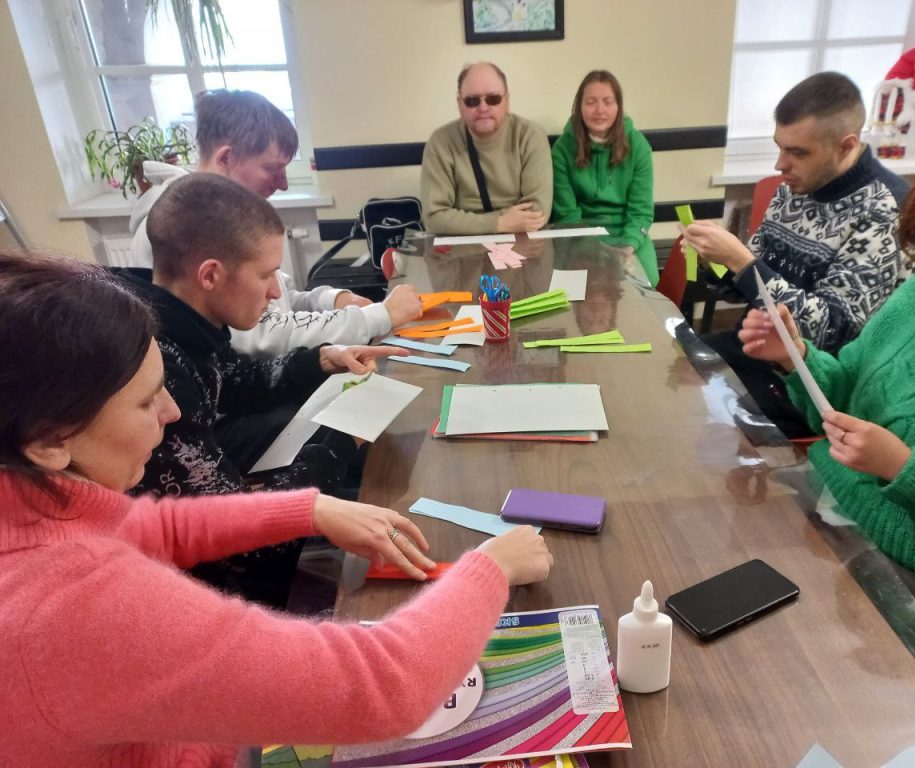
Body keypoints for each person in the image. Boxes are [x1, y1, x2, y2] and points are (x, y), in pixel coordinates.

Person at [0, 251, 553, 768]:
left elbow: (155, 524)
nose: (172, 412)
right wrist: (492, 568)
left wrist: (310, 510)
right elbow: (384, 687)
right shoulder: (74, 607)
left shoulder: (32, 507)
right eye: (146, 401)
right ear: (48, 440)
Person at [738, 116, 915, 661]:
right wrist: (798, 359)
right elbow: (844, 392)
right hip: (831, 502)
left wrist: (905, 469)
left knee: (772, 659)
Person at [122, 173, 408, 605]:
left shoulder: (183, 321)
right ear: (210, 275)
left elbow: (230, 381)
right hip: (204, 595)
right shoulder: (158, 367)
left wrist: (321, 360)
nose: (276, 291)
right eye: (266, 274)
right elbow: (243, 547)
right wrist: (341, 442)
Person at [680, 72, 910, 438]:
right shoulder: (795, 188)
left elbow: (831, 333)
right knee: (666, 363)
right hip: (754, 351)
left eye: (798, 152)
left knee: (687, 424)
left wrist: (741, 261)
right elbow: (745, 289)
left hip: (805, 385)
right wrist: (716, 262)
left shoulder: (886, 210)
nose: (780, 165)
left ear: (846, 145)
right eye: (780, 147)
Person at [128, 89, 423, 357]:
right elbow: (258, 336)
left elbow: (278, 300)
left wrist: (332, 299)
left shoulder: (229, 214)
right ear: (226, 158)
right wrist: (377, 317)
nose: (283, 184)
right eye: (272, 168)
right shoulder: (183, 222)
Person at [421, 62, 553, 235]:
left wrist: (461, 222)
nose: (483, 108)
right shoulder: (440, 143)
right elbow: (434, 218)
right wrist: (500, 223)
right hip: (462, 246)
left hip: (520, 239)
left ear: (507, 101)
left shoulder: (530, 136)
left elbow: (537, 212)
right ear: (460, 104)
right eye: (472, 101)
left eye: (493, 99)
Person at [551, 70, 657, 285]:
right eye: (591, 102)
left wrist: (629, 246)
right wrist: (595, 251)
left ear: (618, 107)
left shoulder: (638, 146)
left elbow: (641, 211)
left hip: (629, 236)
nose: (600, 110)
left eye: (608, 102)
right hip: (579, 239)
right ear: (579, 107)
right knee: (575, 291)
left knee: (645, 290)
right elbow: (567, 214)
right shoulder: (562, 149)